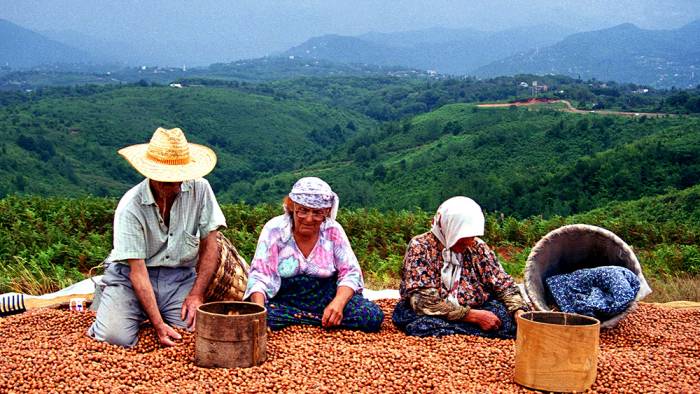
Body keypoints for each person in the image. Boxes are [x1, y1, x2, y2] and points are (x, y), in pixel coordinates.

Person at [87, 127, 243, 347]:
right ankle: (115, 301)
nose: (177, 186)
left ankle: (143, 312)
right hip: (131, 279)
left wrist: (197, 294)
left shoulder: (201, 188)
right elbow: (138, 273)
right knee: (114, 338)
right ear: (152, 176)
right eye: (169, 181)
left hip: (179, 277)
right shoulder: (130, 207)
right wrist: (159, 326)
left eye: (181, 178)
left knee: (196, 333)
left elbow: (210, 244)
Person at [244, 177, 383, 332]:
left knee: (370, 316)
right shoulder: (274, 229)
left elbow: (350, 272)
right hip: (286, 298)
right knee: (259, 315)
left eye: (317, 213)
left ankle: (306, 320)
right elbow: (260, 275)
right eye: (302, 211)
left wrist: (338, 303)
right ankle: (319, 321)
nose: (309, 219)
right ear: (292, 207)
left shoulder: (332, 230)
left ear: (326, 213)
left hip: (326, 295)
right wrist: (260, 315)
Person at [392, 196, 529, 338]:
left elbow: (503, 284)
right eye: (462, 238)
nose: (469, 243)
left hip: (477, 306)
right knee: (423, 326)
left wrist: (517, 310)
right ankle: (472, 331)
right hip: (434, 312)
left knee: (505, 320)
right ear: (449, 228)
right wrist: (472, 316)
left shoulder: (477, 246)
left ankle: (469, 332)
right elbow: (424, 302)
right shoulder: (420, 247)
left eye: (472, 236)